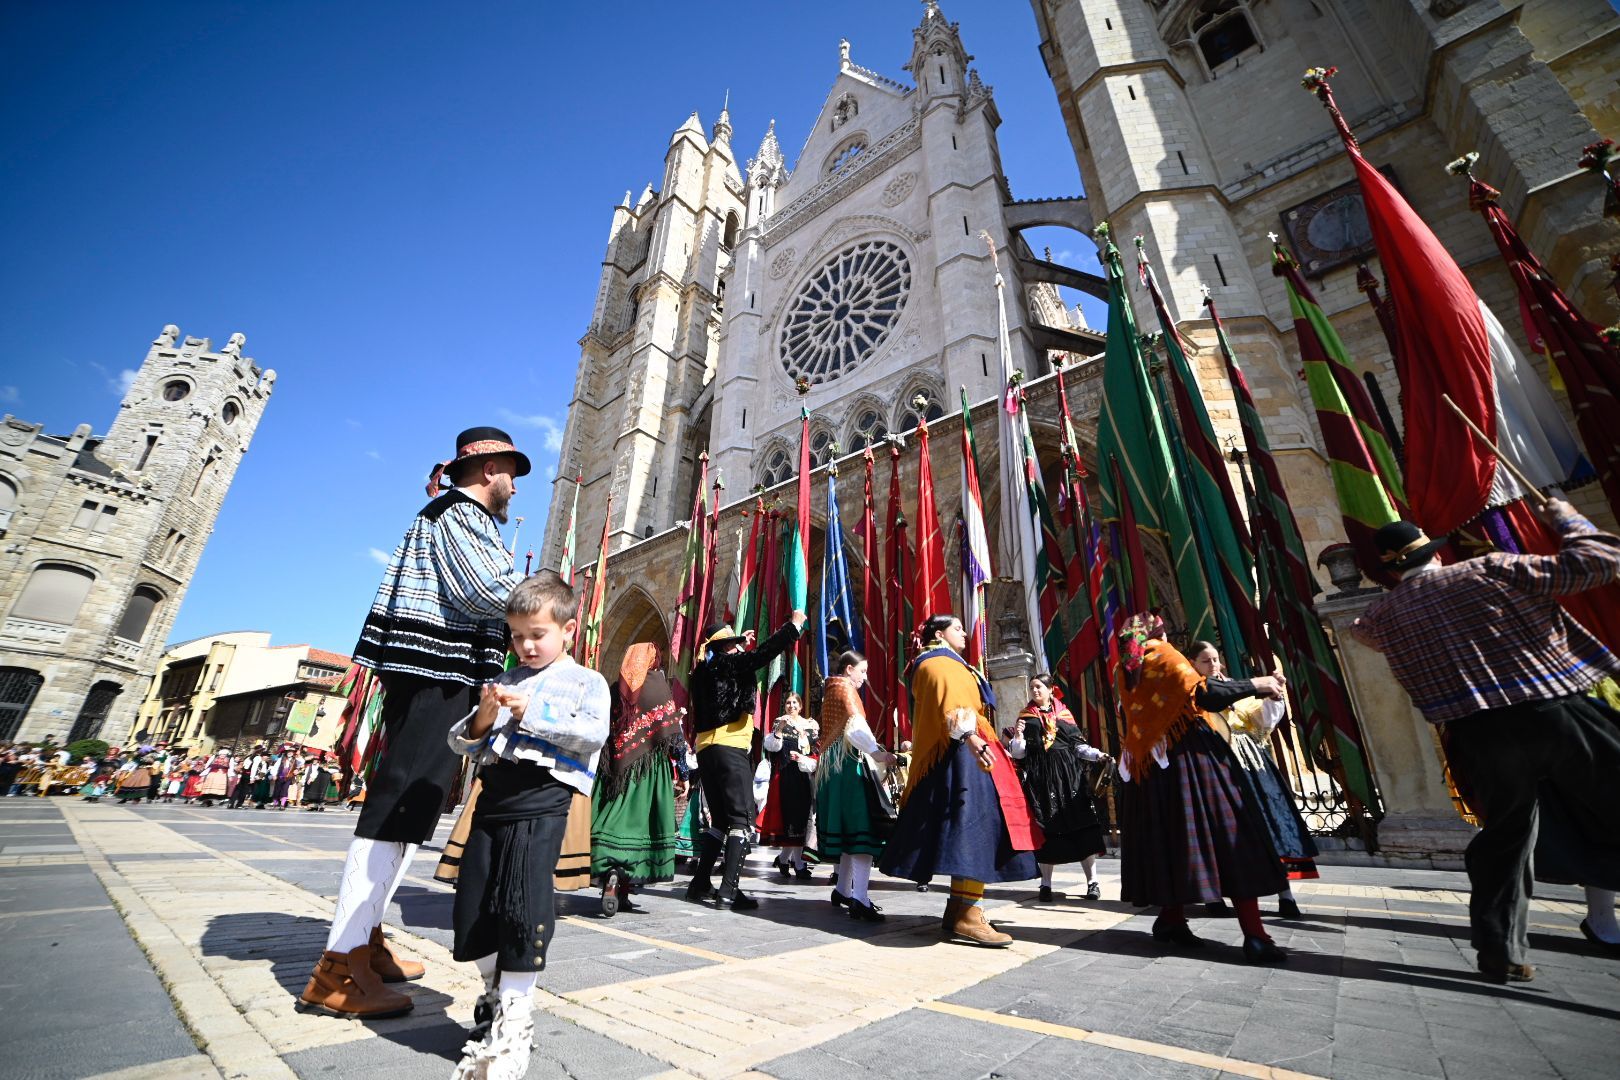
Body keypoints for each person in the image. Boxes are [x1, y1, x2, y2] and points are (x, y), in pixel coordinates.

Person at [298, 426, 527, 1020]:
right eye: (509, 472)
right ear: (485, 470)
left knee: (413, 811)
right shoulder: (458, 514)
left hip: (440, 673)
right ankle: (339, 965)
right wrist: (547, 600)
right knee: (396, 808)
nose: (513, 486)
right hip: (433, 671)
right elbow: (484, 593)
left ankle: (365, 940)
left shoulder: (462, 516)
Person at [1350, 501, 1620, 983]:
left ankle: (1500, 949)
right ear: (1432, 551)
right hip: (1550, 709)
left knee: (1506, 840)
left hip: (1478, 734)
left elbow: (1362, 632)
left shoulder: (1378, 619)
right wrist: (1565, 518)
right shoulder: (1490, 569)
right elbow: (1598, 563)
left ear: (1390, 569)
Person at [445, 572, 610, 1080]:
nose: (526, 645)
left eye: (537, 634)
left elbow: (592, 734)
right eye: (517, 635)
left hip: (542, 800)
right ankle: (496, 996)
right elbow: (463, 741)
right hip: (492, 798)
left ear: (568, 629)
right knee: (472, 908)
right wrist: (481, 719)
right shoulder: (508, 678)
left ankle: (514, 1030)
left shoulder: (586, 681)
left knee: (522, 907)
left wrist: (532, 713)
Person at [1115, 614, 1290, 964]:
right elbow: (1206, 694)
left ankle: (1172, 920)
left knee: (1171, 842)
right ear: (1159, 633)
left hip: (1148, 767)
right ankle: (1255, 934)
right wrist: (1258, 683)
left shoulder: (1126, 668)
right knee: (1230, 840)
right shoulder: (1165, 656)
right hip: (1190, 759)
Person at [879, 615, 1042, 947]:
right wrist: (973, 739)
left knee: (969, 831)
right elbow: (951, 704)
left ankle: (958, 908)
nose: (965, 632)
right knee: (975, 830)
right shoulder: (937, 663)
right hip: (961, 756)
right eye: (957, 628)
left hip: (962, 752)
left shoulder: (951, 664)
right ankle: (969, 913)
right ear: (939, 634)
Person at [685, 612, 807, 910]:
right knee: (741, 820)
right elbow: (761, 656)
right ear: (726, 647)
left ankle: (700, 884)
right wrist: (792, 627)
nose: (741, 648)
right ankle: (728, 891)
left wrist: (740, 645)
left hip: (706, 750)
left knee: (721, 821)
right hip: (729, 747)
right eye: (735, 644)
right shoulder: (727, 663)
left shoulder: (703, 668)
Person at [1187, 642, 1317, 919]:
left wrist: (1273, 696)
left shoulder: (1237, 685)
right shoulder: (1193, 692)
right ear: (1193, 664)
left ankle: (1286, 895)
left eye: (1216, 659)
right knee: (1221, 829)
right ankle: (1215, 895)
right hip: (1217, 762)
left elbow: (1263, 722)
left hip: (1253, 761)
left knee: (1271, 820)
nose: (1214, 665)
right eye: (1206, 661)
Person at [590, 643, 685, 915]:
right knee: (641, 827)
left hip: (613, 771)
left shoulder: (613, 689)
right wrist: (685, 774)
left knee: (611, 822)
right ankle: (624, 886)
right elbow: (673, 737)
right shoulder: (658, 687)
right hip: (648, 773)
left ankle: (610, 877)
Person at [1004, 674, 1111, 903]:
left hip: (1070, 779)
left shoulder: (1064, 715)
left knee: (1083, 828)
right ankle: (1046, 885)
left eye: (1039, 687)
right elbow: (1018, 754)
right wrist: (1019, 736)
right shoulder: (1026, 717)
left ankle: (1092, 882)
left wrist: (1097, 755)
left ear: (1051, 689)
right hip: (1041, 782)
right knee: (1047, 832)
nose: (1034, 691)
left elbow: (1078, 746)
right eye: (1031, 687)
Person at [811, 650, 896, 921]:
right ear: (849, 669)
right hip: (848, 769)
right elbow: (856, 728)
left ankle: (842, 890)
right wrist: (877, 752)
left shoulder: (831, 690)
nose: (866, 677)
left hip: (834, 771)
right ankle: (859, 898)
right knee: (863, 833)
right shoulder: (846, 691)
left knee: (849, 834)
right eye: (863, 671)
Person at [760, 691, 819, 879]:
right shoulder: (780, 722)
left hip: (804, 775)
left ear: (800, 706)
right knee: (792, 820)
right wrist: (779, 729)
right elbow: (771, 747)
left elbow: (813, 749)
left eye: (795, 703)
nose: (791, 706)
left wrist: (805, 736)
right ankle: (799, 865)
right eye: (788, 703)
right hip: (785, 776)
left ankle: (784, 859)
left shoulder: (809, 725)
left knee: (802, 819)